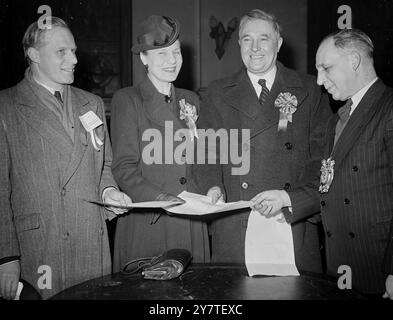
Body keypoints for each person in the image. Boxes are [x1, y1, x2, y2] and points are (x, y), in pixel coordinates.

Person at [252, 28, 393, 298]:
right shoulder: (336, 119)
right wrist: (284, 198)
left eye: (326, 68)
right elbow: (329, 187)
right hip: (340, 265)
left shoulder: (388, 108)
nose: (319, 81)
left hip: (377, 267)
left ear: (354, 61)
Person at [0, 17, 132, 300]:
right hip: (39, 246)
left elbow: (104, 165)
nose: (73, 59)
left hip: (90, 242)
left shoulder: (91, 103)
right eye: (62, 51)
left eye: (73, 51)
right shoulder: (6, 106)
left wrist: (109, 192)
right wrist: (6, 258)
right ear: (33, 54)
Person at [195, 9, 331, 272]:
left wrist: (291, 199)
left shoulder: (310, 89)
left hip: (291, 221)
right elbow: (206, 151)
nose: (255, 48)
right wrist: (212, 185)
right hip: (237, 222)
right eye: (247, 39)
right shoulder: (217, 92)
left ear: (278, 43)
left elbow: (322, 158)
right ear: (239, 44)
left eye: (264, 39)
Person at [111, 15, 210, 272]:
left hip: (191, 220)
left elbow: (202, 159)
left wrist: (213, 187)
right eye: (162, 54)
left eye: (176, 52)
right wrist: (162, 198)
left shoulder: (192, 100)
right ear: (144, 58)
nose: (172, 61)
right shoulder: (128, 100)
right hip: (151, 221)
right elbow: (124, 168)